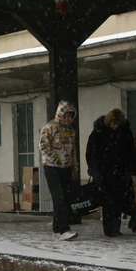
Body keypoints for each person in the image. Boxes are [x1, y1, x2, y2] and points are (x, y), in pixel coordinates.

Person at [85, 109, 136, 237]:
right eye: (113, 123)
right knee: (108, 202)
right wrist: (94, 170)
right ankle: (109, 228)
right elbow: (91, 153)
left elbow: (131, 153)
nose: (115, 126)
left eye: (117, 124)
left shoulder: (123, 133)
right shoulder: (99, 133)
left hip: (118, 172)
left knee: (117, 202)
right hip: (105, 173)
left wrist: (130, 170)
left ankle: (115, 227)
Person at [38, 101, 79, 241]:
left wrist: (74, 166)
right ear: (61, 114)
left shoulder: (71, 131)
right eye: (67, 116)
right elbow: (43, 146)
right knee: (59, 197)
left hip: (66, 168)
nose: (68, 119)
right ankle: (63, 229)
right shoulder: (50, 127)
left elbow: (73, 151)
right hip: (52, 168)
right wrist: (54, 159)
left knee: (64, 198)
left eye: (70, 117)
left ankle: (57, 228)